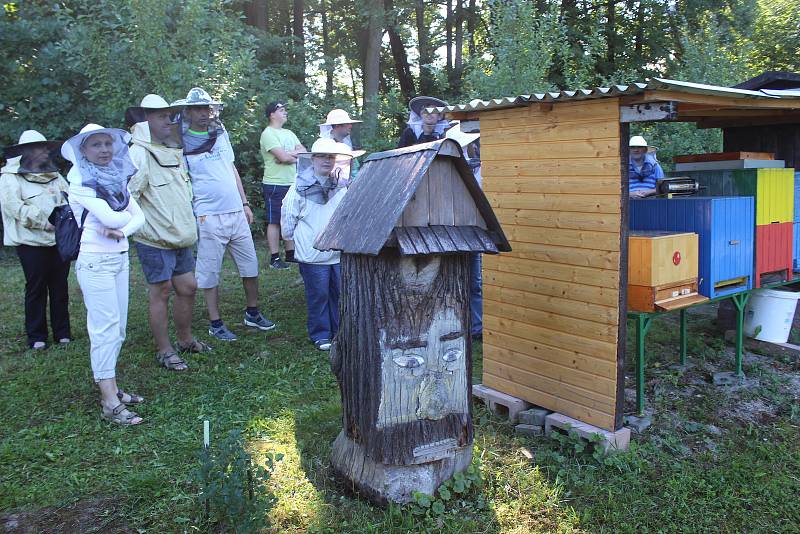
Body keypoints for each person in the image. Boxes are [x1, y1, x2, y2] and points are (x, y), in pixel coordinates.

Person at [174, 87, 275, 341]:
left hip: (235, 212)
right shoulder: (180, 141)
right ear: (187, 112)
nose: (203, 114)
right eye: (197, 109)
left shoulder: (220, 133)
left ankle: (252, 312)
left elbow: (231, 167)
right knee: (209, 272)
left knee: (250, 266)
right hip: (208, 214)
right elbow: (182, 180)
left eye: (206, 108)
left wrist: (244, 203)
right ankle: (215, 322)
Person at [62, 124, 145, 425]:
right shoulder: (79, 179)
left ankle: (112, 388)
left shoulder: (114, 176)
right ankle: (109, 401)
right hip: (95, 261)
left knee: (119, 328)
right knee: (104, 329)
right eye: (96, 145)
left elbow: (140, 218)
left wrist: (121, 230)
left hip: (119, 258)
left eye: (107, 143)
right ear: (83, 150)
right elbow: (113, 215)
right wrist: (124, 222)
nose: (104, 149)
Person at [126, 94, 211, 371]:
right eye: (161, 116)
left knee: (188, 287)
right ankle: (165, 350)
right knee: (161, 291)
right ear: (145, 119)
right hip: (154, 239)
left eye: (169, 115)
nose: (168, 120)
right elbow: (129, 197)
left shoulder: (172, 149)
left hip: (181, 236)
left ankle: (186, 340)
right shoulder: (138, 152)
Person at [281, 138, 362, 351]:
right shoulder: (298, 188)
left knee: (338, 293)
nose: (327, 160)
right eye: (323, 156)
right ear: (313, 159)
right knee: (318, 295)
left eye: (331, 157)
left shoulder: (340, 185)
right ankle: (320, 334)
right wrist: (293, 240)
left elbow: (347, 215)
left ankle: (338, 331)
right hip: (312, 253)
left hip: (336, 252)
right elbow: (288, 219)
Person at [0, 130, 72, 349]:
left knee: (60, 287)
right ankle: (37, 336)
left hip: (58, 241)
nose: (44, 151)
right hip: (31, 243)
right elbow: (13, 207)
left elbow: (68, 196)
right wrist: (43, 221)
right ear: (26, 151)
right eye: (39, 148)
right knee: (36, 288)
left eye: (45, 147)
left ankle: (63, 333)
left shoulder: (55, 174)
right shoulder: (9, 177)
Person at [446, 123, 484, 340]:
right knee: (450, 284)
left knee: (474, 284)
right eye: (468, 145)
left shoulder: (480, 169)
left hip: (474, 233)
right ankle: (454, 325)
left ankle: (476, 328)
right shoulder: (446, 169)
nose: (474, 149)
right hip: (450, 235)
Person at [260, 101, 306, 270]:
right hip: (274, 183)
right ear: (272, 114)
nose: (285, 112)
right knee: (275, 220)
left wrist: (287, 156)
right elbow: (283, 157)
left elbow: (303, 151)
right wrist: (289, 156)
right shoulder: (268, 134)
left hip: (291, 181)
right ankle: (274, 258)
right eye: (281, 110)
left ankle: (290, 254)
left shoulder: (289, 133)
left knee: (290, 217)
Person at [318, 108, 363, 181]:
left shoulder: (345, 145)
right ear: (337, 126)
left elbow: (354, 172)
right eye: (347, 124)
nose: (350, 126)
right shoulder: (322, 145)